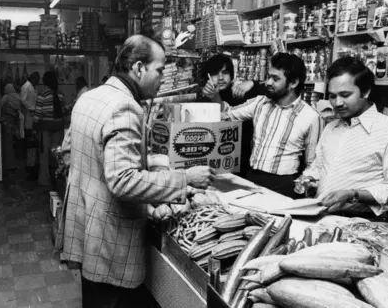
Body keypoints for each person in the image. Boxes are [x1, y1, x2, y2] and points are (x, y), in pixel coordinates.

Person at [57, 35, 215, 308]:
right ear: (139, 68)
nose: (162, 78)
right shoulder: (125, 107)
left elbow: (92, 156)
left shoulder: (90, 97)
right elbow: (122, 181)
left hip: (88, 229)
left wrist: (149, 163)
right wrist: (186, 178)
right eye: (160, 69)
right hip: (111, 242)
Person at [296, 56, 388, 217]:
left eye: (345, 94)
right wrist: (308, 179)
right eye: (332, 96)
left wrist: (353, 194)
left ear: (365, 91)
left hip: (362, 222)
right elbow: (318, 167)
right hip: (322, 216)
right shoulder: (331, 128)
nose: (337, 103)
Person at [215, 53, 323, 198]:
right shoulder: (260, 103)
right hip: (252, 177)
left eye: (275, 79)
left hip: (284, 185)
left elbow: (313, 164)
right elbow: (228, 115)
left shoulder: (311, 117)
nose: (268, 82)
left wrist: (304, 184)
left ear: (294, 82)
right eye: (268, 77)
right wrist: (214, 95)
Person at [201, 54, 267, 177]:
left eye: (225, 73)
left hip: (242, 162)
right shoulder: (203, 98)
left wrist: (252, 83)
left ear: (232, 76)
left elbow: (269, 96)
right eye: (215, 74)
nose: (220, 78)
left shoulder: (240, 92)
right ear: (207, 77)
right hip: (212, 163)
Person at [33, 71, 66, 186]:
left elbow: (38, 114)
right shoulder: (60, 94)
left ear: (45, 81)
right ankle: (60, 177)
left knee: (44, 155)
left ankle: (44, 180)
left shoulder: (42, 94)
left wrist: (34, 125)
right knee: (57, 154)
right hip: (58, 127)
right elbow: (62, 111)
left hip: (45, 128)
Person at [1, 84, 24, 172]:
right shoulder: (17, 97)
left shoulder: (6, 97)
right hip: (15, 123)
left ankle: (9, 165)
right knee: (13, 145)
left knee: (8, 145)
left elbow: (0, 105)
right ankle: (13, 163)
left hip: (7, 123)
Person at [20, 71, 40, 178]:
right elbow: (22, 100)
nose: (39, 81)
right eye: (37, 79)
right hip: (28, 117)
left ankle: (31, 164)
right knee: (30, 142)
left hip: (31, 117)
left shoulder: (31, 86)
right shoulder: (26, 86)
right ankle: (29, 165)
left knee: (32, 142)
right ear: (33, 78)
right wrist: (31, 108)